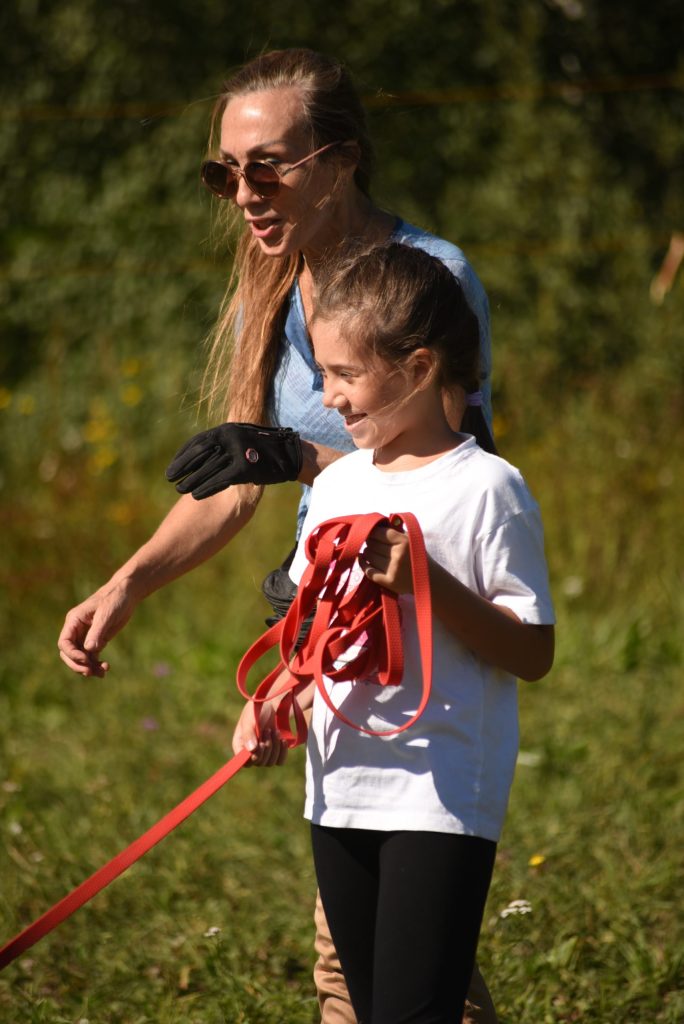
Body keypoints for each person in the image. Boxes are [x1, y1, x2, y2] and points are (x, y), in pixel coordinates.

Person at [57, 48, 497, 1022]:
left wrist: (303, 458)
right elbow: (237, 483)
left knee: (386, 971)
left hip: (413, 649)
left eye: (268, 166)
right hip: (324, 638)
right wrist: (126, 583)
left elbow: (457, 485)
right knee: (369, 965)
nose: (243, 191)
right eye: (225, 171)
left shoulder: (430, 281)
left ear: (339, 160)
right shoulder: (269, 285)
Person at [233, 242, 556, 1023]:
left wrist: (428, 584)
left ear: (416, 369)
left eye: (345, 375)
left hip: (437, 792)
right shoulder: (340, 483)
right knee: (368, 1002)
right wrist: (277, 696)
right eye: (324, 373)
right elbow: (316, 633)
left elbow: (533, 651)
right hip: (339, 786)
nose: (327, 396)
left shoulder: (488, 488)